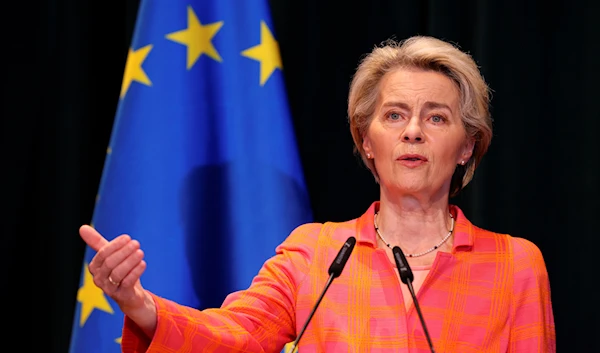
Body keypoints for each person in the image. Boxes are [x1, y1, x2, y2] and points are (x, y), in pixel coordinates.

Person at [79, 35, 556, 352]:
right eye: (393, 115)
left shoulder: (515, 266)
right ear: (366, 140)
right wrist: (140, 304)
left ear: (467, 145)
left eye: (436, 117)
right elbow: (235, 338)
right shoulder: (315, 255)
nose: (413, 131)